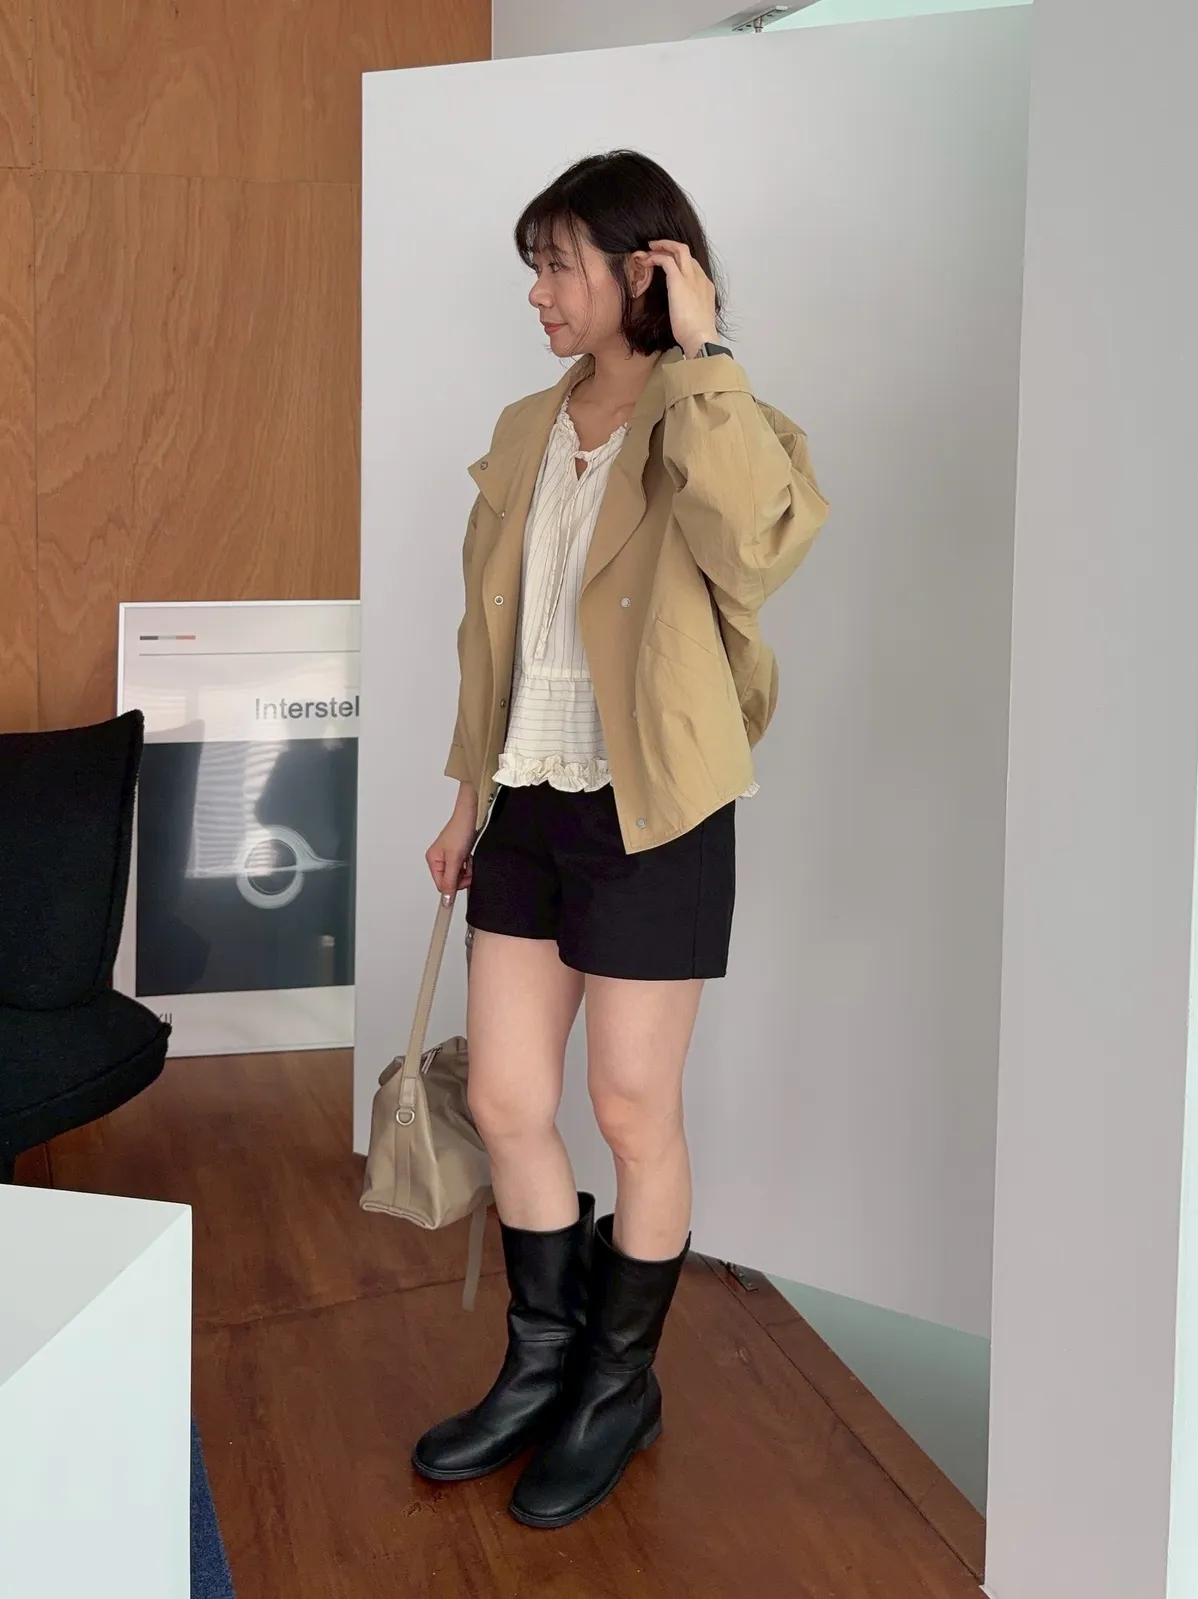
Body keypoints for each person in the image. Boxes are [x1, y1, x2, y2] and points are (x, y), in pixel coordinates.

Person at [412, 150, 829, 1530]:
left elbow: (756, 551)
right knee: (505, 1099)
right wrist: (465, 796)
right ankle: (541, 1363)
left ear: (643, 269)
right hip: (527, 798)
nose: (537, 293)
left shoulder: (715, 411)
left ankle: (615, 1384)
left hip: (653, 809)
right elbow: (492, 634)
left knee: (633, 1109)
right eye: (533, 267)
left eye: (559, 266)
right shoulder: (529, 424)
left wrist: (701, 355)